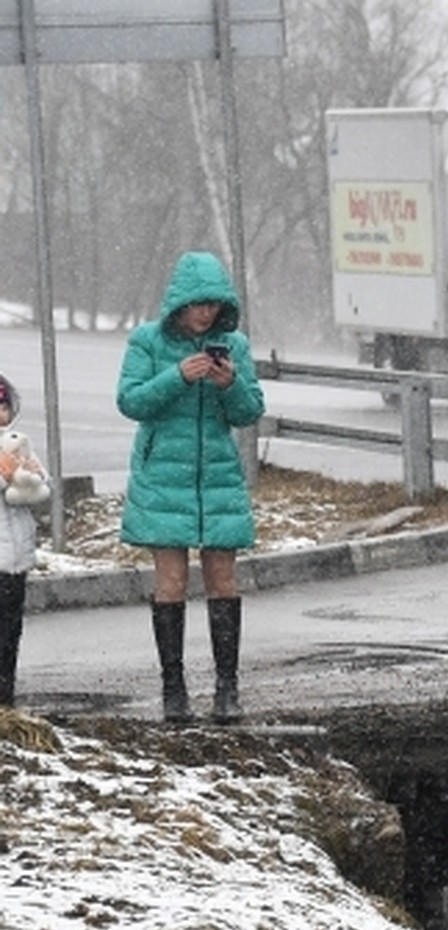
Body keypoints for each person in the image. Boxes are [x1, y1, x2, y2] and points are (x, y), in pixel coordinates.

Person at [117, 250, 265, 725]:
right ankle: (174, 690)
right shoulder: (148, 341)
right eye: (198, 303)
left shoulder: (233, 344)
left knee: (223, 579)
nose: (206, 312)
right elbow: (131, 401)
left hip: (218, 475)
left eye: (214, 304)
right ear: (180, 302)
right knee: (172, 583)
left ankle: (227, 689)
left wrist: (229, 383)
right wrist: (177, 376)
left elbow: (248, 411)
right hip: (164, 477)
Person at [0, 373, 50, 708]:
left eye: (3, 406)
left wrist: (32, 475)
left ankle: (5, 694)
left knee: (9, 628)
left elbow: (43, 493)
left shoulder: (17, 443)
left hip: (14, 556)